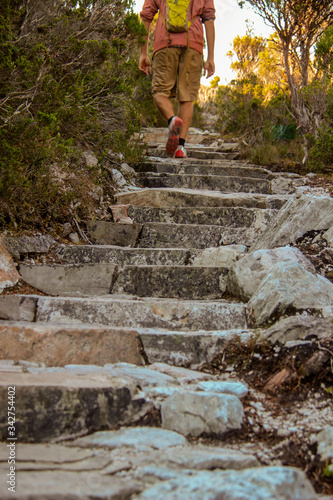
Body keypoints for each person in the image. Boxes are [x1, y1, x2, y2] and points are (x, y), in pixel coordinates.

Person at [139, 0, 215, 158]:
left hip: (164, 44)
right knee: (187, 96)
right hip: (193, 45)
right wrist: (210, 57)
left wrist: (143, 53)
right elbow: (208, 19)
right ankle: (180, 147)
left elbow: (146, 17)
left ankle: (172, 119)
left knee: (160, 92)